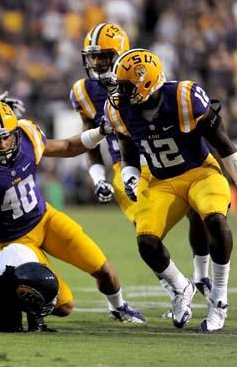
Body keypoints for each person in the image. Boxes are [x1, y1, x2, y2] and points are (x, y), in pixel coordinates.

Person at [0, 100, 146, 325]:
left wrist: (99, 132)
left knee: (103, 269)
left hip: (46, 219)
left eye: (7, 136)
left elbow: (67, 147)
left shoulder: (27, 135)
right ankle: (5, 298)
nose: (3, 144)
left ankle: (118, 307)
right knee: (64, 305)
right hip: (17, 243)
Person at [71, 23, 212, 307]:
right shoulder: (84, 92)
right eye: (93, 56)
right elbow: (90, 141)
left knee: (199, 208)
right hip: (126, 166)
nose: (97, 62)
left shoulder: (143, 77)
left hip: (168, 159)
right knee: (146, 231)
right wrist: (98, 176)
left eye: (104, 56)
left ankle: (202, 275)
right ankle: (175, 286)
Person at [105, 49, 235, 332]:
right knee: (146, 242)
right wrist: (129, 174)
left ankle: (219, 299)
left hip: (200, 172)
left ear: (146, 84)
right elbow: (127, 152)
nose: (119, 92)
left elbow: (224, 146)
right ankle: (180, 288)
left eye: (126, 86)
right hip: (162, 181)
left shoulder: (185, 98)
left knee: (214, 219)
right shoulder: (119, 110)